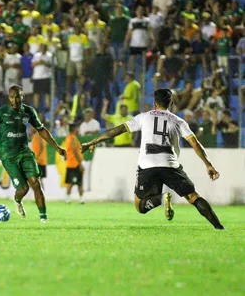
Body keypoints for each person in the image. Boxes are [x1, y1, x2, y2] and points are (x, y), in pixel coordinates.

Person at [80, 89, 224, 230]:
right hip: (170, 164)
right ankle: (219, 227)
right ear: (171, 103)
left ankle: (161, 199)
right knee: (193, 196)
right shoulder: (178, 121)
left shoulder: (144, 117)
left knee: (140, 206)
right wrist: (208, 165)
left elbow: (117, 130)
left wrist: (93, 142)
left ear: (155, 104)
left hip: (147, 165)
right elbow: (195, 143)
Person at [0, 85, 66, 222]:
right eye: (12, 97)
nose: (15, 100)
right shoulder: (0, 112)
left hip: (24, 151)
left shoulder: (29, 112)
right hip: (6, 153)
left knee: (36, 183)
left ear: (22, 96)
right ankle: (17, 200)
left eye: (17, 97)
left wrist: (57, 147)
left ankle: (43, 218)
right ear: (9, 97)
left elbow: (41, 130)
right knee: (24, 188)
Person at [63, 123, 85, 204]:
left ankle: (68, 198)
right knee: (78, 183)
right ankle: (81, 199)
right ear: (74, 129)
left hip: (70, 163)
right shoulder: (73, 138)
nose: (78, 130)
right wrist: (80, 164)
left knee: (70, 182)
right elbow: (75, 152)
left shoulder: (68, 138)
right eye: (77, 128)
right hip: (75, 164)